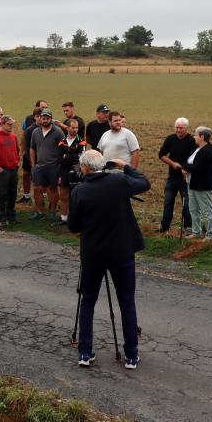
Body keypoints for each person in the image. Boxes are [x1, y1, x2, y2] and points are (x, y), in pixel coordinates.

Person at [68, 150, 150, 369]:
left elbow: (73, 226)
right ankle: (131, 355)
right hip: (122, 253)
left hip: (93, 254)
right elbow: (144, 182)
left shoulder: (79, 191)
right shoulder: (119, 181)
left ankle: (85, 352)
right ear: (103, 166)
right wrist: (125, 166)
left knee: (88, 301)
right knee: (126, 302)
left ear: (85, 168)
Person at [157, 117, 195, 233]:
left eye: (181, 128)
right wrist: (173, 163)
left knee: (187, 204)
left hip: (186, 178)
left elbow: (194, 159)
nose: (178, 130)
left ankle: (188, 228)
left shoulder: (192, 141)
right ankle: (164, 227)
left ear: (186, 128)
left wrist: (186, 169)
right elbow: (161, 155)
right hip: (172, 177)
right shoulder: (170, 139)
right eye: (177, 127)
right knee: (168, 202)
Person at [29, 109, 64, 221]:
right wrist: (33, 165)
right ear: (40, 119)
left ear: (51, 119)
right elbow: (32, 149)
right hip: (39, 166)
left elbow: (63, 149)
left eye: (47, 118)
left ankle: (53, 212)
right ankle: (39, 212)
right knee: (37, 189)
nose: (45, 120)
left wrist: (60, 166)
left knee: (52, 189)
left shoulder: (58, 132)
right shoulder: (35, 132)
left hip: (53, 166)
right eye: (43, 118)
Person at [182, 126, 212, 240]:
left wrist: (186, 168)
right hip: (191, 183)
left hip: (203, 185)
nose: (194, 137)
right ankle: (196, 232)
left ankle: (211, 235)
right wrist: (186, 167)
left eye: (196, 135)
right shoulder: (197, 148)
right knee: (193, 209)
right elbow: (187, 161)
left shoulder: (207, 151)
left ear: (202, 136)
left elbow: (197, 167)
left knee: (207, 211)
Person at [0, 115, 20, 230]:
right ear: (3, 124)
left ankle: (11, 216)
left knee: (13, 193)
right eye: (9, 124)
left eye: (12, 124)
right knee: (3, 195)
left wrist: (17, 163)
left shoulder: (13, 136)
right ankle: (1, 219)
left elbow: (17, 151)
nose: (11, 126)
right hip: (3, 171)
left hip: (13, 170)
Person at [55, 119, 86, 226]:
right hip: (63, 171)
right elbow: (59, 158)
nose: (75, 130)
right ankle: (64, 218)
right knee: (63, 196)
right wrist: (70, 156)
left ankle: (76, 219)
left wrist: (67, 156)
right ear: (67, 128)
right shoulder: (61, 141)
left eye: (76, 127)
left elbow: (80, 157)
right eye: (73, 127)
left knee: (76, 196)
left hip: (76, 170)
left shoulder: (82, 141)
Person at [20, 108, 42, 204]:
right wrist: (24, 153)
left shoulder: (47, 128)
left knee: (39, 180)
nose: (40, 118)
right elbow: (25, 142)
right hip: (29, 157)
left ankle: (42, 198)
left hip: (41, 159)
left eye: (41, 116)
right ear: (34, 117)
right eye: (37, 116)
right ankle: (26, 196)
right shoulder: (29, 130)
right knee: (26, 175)